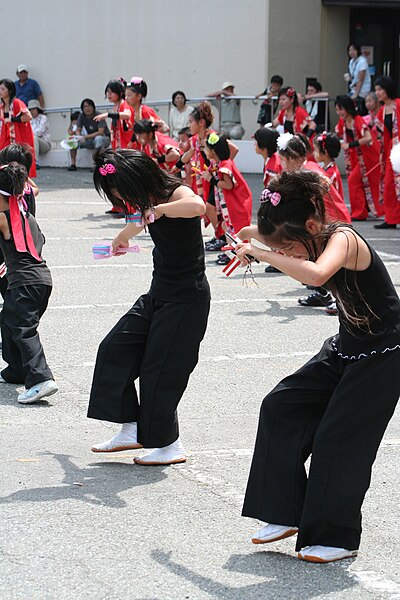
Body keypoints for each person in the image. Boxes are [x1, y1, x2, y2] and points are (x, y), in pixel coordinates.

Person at [235, 170, 400, 563]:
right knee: (280, 406)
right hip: (348, 345)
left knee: (338, 438)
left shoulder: (343, 239)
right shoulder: (305, 237)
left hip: (384, 352)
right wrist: (250, 237)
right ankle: (284, 511)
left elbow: (317, 273)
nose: (288, 255)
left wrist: (260, 251)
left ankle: (338, 538)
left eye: (290, 247)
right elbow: (252, 231)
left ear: (312, 226)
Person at [88, 148, 210, 466]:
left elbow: (197, 205)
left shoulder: (174, 192)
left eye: (121, 192)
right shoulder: (148, 202)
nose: (122, 198)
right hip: (158, 294)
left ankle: (170, 445)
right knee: (114, 348)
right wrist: (122, 238)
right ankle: (131, 427)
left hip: (186, 299)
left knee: (160, 370)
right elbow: (140, 220)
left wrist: (157, 210)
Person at [0, 162, 58, 404]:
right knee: (9, 321)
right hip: (41, 281)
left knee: (23, 330)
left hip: (25, 283)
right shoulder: (25, 214)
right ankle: (17, 370)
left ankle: (41, 379)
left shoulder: (3, 218)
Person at [203, 133, 252, 265]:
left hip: (237, 201)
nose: (205, 151)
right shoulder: (223, 163)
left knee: (233, 227)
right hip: (233, 201)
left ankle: (240, 253)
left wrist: (211, 179)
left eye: (207, 149)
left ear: (213, 151)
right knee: (227, 226)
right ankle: (233, 251)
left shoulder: (225, 165)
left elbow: (228, 185)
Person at [0, 144, 39, 301]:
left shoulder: (5, 193)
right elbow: (36, 188)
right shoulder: (28, 190)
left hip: (7, 246)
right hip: (27, 245)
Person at [335, 95, 382, 222]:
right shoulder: (343, 122)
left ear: (348, 108)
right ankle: (361, 210)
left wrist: (349, 145)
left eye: (341, 109)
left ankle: (359, 212)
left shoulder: (357, 119)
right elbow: (337, 133)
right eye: (337, 110)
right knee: (358, 182)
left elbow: (368, 138)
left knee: (353, 181)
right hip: (356, 157)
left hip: (368, 156)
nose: (339, 113)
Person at [374, 75, 400, 229]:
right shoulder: (382, 111)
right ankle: (391, 218)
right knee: (389, 184)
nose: (377, 93)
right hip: (391, 150)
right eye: (376, 89)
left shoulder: (398, 104)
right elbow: (378, 133)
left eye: (380, 89)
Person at [0, 79, 36, 177]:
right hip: (6, 139)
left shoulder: (17, 103)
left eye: (3, 89)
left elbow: (28, 116)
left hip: (20, 137)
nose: (0, 91)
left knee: (21, 163)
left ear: (10, 90)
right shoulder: (2, 107)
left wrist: (13, 119)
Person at [67, 98, 110, 172]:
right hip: (90, 139)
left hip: (104, 139)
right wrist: (78, 137)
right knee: (73, 140)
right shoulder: (81, 116)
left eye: (89, 106)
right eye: (85, 107)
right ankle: (73, 164)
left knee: (98, 139)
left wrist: (85, 137)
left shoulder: (99, 115)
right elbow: (78, 129)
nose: (87, 108)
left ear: (93, 107)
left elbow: (101, 132)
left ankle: (97, 165)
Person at [125, 77, 168, 144]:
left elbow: (161, 128)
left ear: (139, 96)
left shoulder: (145, 111)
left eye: (129, 95)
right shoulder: (131, 111)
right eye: (125, 95)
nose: (126, 98)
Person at [94, 79, 133, 150]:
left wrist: (108, 115)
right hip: (118, 143)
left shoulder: (124, 103)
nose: (109, 94)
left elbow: (127, 115)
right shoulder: (115, 107)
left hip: (126, 143)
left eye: (112, 92)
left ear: (120, 93)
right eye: (108, 92)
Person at [345, 44, 371, 116]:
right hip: (354, 89)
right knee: (344, 101)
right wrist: (349, 78)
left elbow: (361, 80)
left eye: (354, 50)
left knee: (356, 109)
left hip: (362, 91)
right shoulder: (351, 62)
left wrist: (356, 94)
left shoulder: (362, 61)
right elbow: (354, 78)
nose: (351, 52)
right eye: (350, 50)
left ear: (358, 51)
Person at [27, 99, 51, 169]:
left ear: (38, 109)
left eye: (34, 109)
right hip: (32, 142)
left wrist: (29, 135)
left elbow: (40, 131)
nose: (32, 111)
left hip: (45, 143)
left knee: (34, 137)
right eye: (30, 109)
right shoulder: (29, 120)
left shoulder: (43, 118)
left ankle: (36, 162)